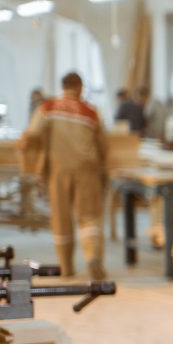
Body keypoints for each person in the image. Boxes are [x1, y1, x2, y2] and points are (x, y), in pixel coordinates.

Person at [19, 72, 108, 279]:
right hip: (87, 169)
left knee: (61, 219)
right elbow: (103, 144)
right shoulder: (90, 112)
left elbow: (32, 134)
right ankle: (93, 257)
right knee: (89, 217)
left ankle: (66, 267)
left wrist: (27, 156)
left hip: (58, 169)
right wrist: (103, 168)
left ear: (63, 86)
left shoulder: (48, 108)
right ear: (80, 87)